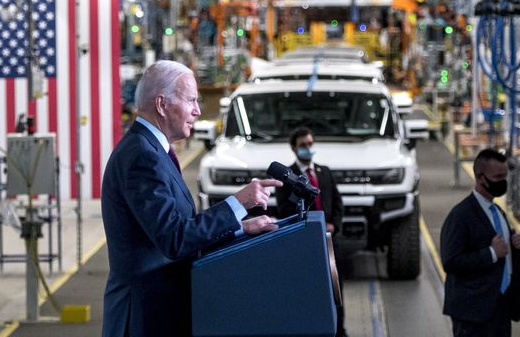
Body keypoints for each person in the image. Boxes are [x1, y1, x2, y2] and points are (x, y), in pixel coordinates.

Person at [102, 60, 282, 337]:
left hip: (158, 313)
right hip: (144, 318)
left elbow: (181, 226)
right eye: (191, 101)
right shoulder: (142, 157)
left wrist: (240, 228)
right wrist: (238, 203)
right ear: (162, 105)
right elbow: (174, 238)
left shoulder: (152, 150)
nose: (198, 111)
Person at [440, 148, 520, 337]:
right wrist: (491, 253)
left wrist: (516, 248)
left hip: (501, 306)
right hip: (473, 312)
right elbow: (450, 261)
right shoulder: (460, 215)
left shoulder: (498, 213)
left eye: (505, 176)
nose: (503, 182)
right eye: (497, 177)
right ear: (480, 178)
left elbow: (506, 255)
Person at [274, 126, 346, 336]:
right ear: (294, 149)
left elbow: (338, 202)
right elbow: (285, 209)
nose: (307, 148)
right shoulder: (287, 177)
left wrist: (335, 225)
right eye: (302, 145)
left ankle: (340, 330)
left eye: (310, 144)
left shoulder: (325, 172)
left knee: (337, 289)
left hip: (330, 241)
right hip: (306, 245)